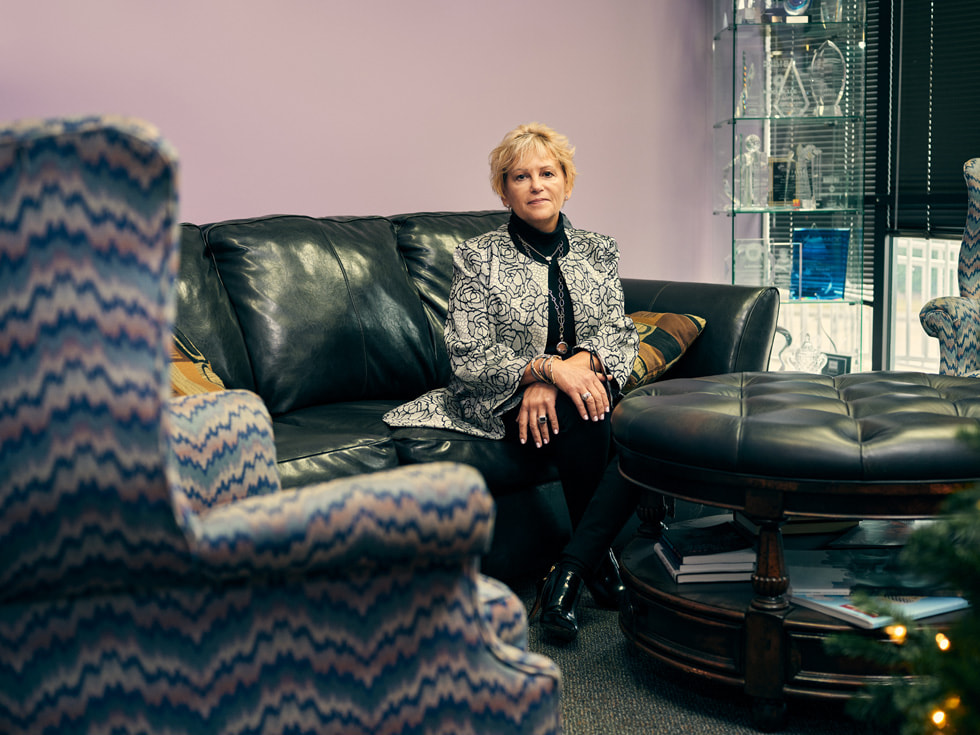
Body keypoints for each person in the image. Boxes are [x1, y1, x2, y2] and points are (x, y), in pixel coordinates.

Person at [384, 122, 639, 641]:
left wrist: (569, 371)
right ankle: (597, 563)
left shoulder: (599, 250)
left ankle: (566, 574)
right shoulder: (478, 257)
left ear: (567, 181)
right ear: (503, 190)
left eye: (547, 173)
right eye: (520, 176)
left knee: (609, 413)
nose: (536, 185)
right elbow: (467, 354)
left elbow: (620, 335)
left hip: (578, 386)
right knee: (589, 411)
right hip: (499, 396)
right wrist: (543, 371)